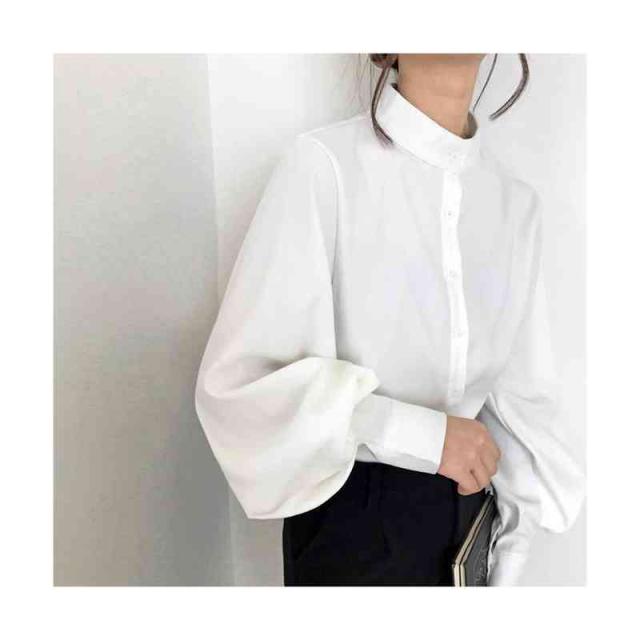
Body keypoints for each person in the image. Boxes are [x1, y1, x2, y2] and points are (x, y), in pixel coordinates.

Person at [194, 53, 585, 586]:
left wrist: (509, 557)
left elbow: (520, 404)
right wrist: (421, 435)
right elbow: (241, 387)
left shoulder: (516, 207)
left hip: (471, 524)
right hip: (351, 519)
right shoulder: (323, 167)